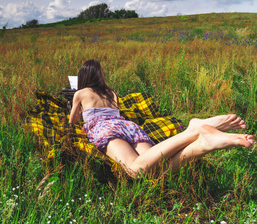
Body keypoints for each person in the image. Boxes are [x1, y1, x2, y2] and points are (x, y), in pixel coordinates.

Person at [69, 59, 254, 178]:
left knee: (136, 171)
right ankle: (202, 145)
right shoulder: (111, 92)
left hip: (105, 129)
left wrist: (78, 112)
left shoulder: (80, 93)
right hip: (127, 126)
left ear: (83, 77)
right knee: (155, 168)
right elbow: (116, 112)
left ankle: (192, 130)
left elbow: (73, 122)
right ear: (100, 75)